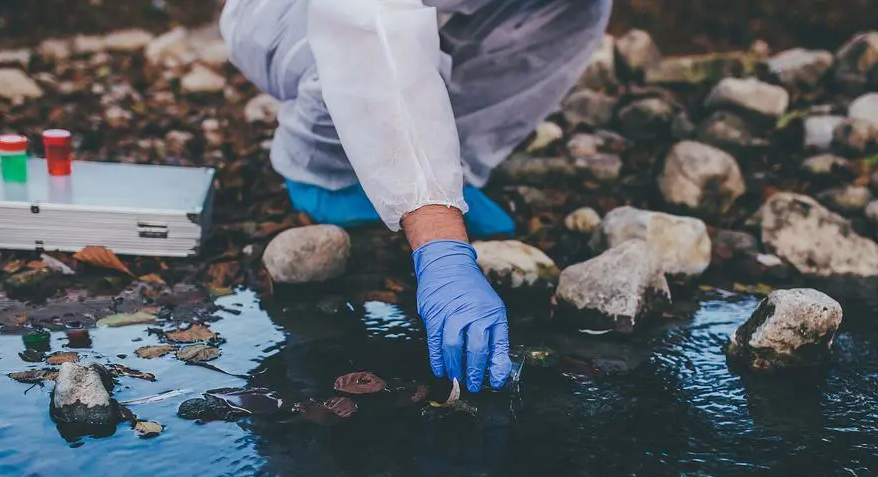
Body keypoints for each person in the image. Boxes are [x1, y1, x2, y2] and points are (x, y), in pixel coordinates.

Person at [219, 0, 613, 393]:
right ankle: (327, 171)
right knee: (344, 54)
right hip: (295, 15)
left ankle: (453, 163)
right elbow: (365, 25)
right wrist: (438, 237)